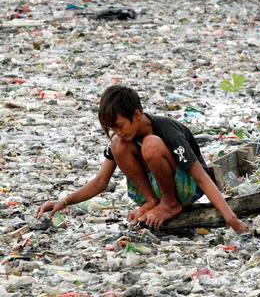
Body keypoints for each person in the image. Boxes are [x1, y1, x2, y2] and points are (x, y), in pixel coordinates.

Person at [36, 85, 248, 233]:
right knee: (117, 145)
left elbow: (201, 177)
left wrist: (231, 218)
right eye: (112, 128)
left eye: (119, 125)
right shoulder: (122, 138)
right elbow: (101, 181)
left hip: (186, 188)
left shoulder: (167, 130)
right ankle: (152, 201)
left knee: (151, 144)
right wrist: (63, 202)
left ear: (137, 114)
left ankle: (170, 204)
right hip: (156, 190)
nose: (117, 131)